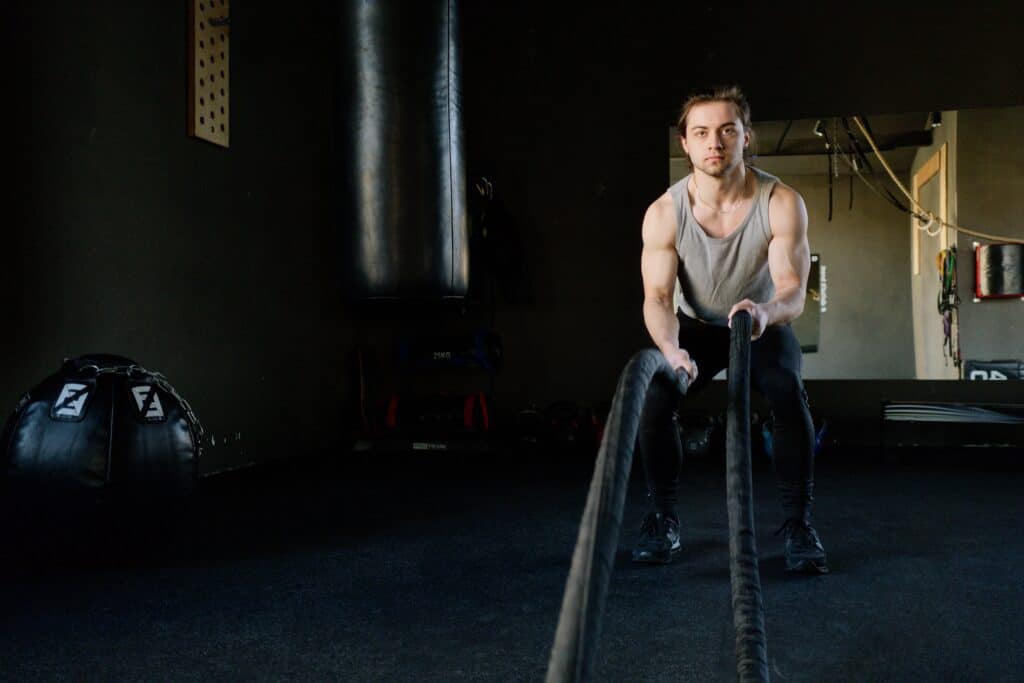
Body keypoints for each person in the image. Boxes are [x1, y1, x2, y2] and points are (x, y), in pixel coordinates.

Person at [633, 85, 828, 574]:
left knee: (786, 391)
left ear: (745, 137)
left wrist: (765, 312)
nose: (714, 142)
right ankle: (663, 518)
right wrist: (670, 349)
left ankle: (799, 525)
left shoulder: (780, 201)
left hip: (758, 322)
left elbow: (792, 291)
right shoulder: (664, 213)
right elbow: (657, 299)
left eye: (726, 130)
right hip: (695, 327)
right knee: (655, 399)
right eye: (701, 133)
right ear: (686, 143)